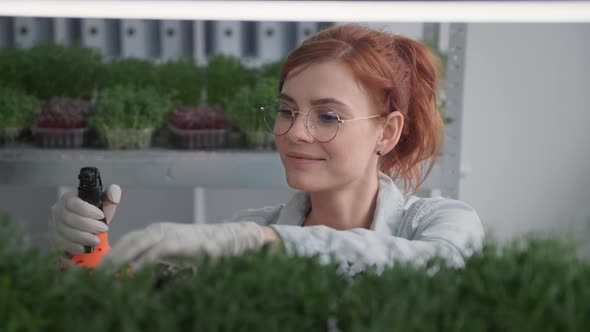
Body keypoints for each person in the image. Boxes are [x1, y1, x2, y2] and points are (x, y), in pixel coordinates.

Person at [49, 24, 484, 275]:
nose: (295, 132)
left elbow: (438, 267)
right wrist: (88, 255)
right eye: (287, 110)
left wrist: (261, 244)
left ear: (386, 133)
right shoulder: (250, 231)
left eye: (328, 116)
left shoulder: (438, 224)